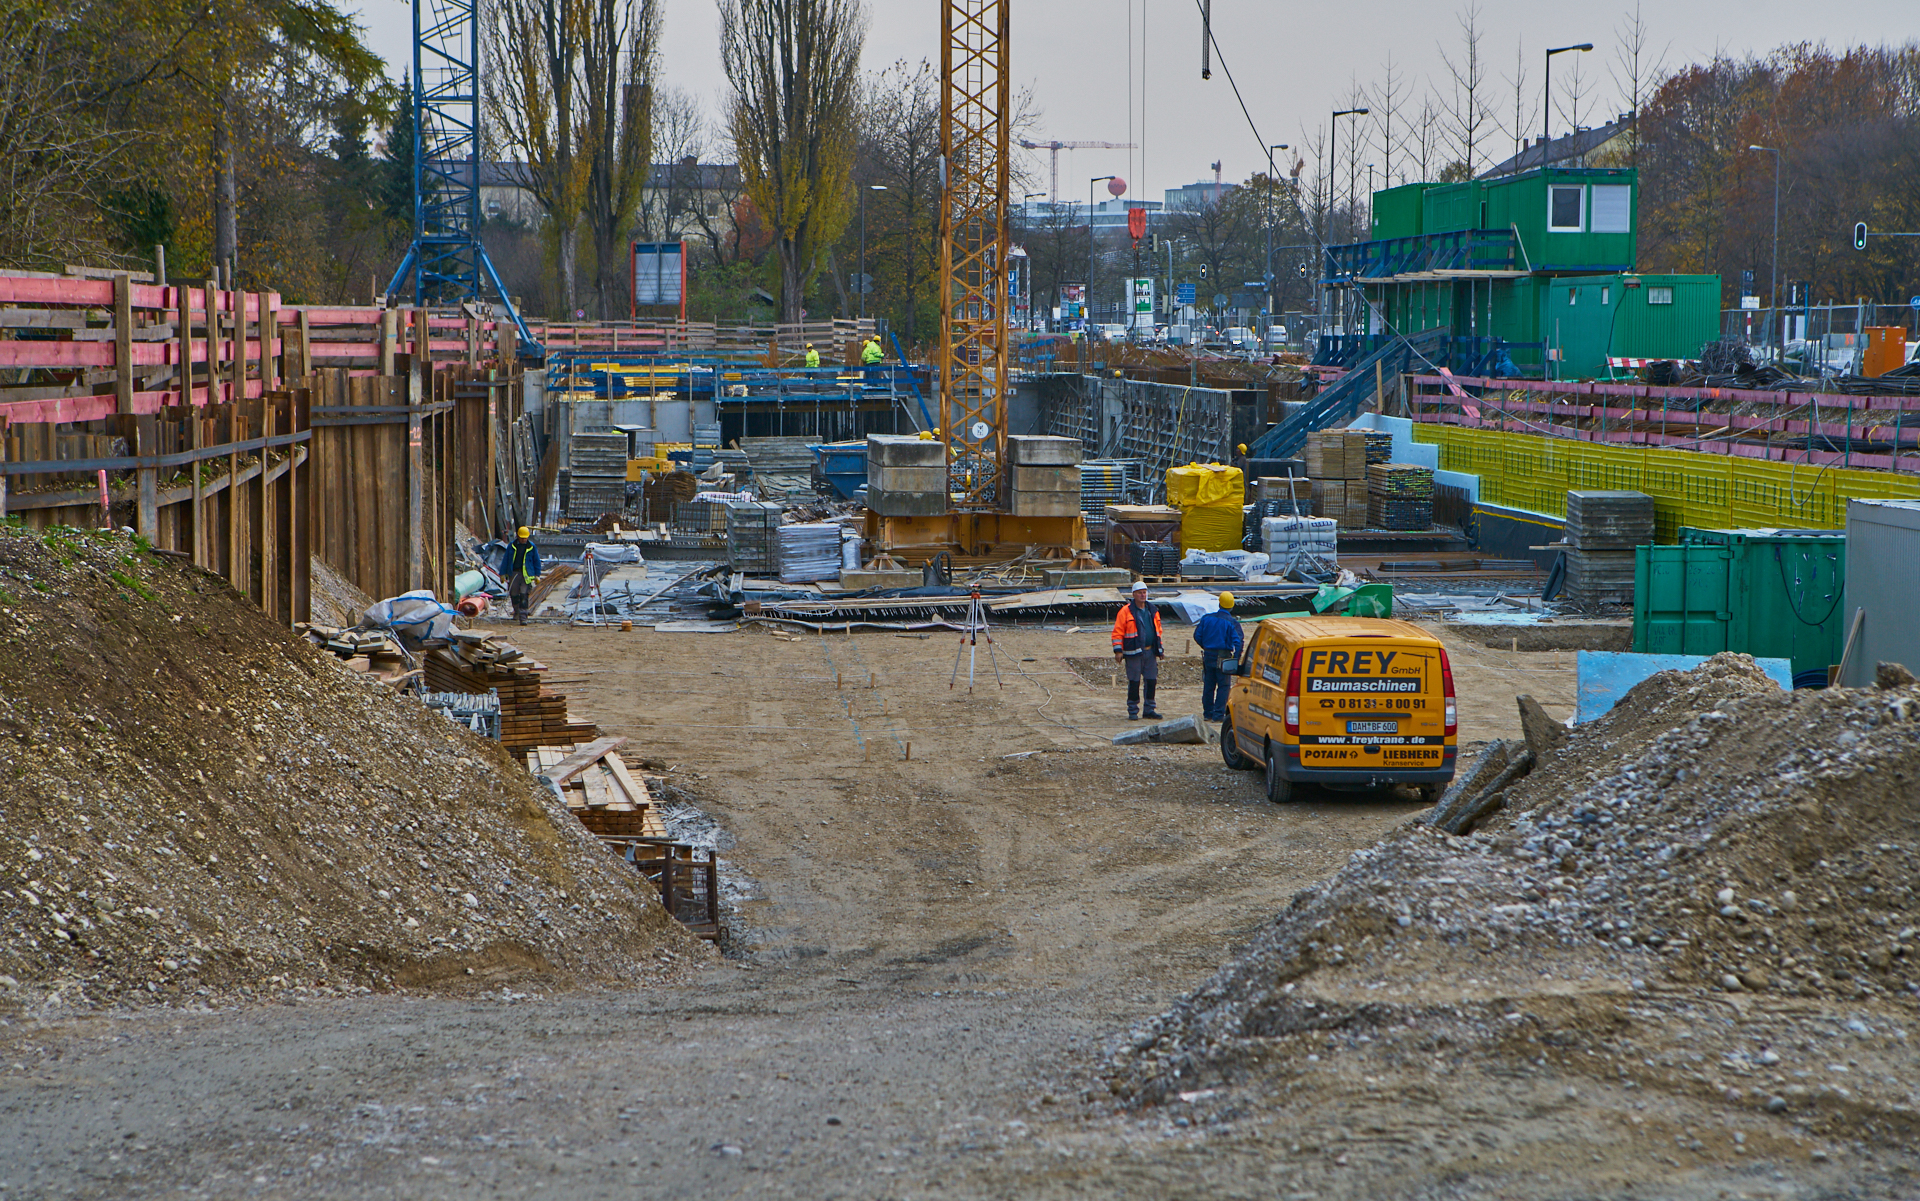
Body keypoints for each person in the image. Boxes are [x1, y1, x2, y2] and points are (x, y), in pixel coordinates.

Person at [1110, 580, 1165, 720]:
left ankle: (1149, 709)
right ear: (1134, 594)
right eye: (1140, 593)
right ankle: (1133, 710)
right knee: (1134, 682)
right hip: (1133, 653)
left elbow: (1158, 631)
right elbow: (1117, 632)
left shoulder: (1153, 610)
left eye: (1144, 592)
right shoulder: (1125, 612)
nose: (1143, 595)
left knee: (1151, 681)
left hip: (1150, 652)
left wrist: (1160, 648)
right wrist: (1118, 650)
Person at [1193, 591, 1245, 723]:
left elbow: (1197, 635)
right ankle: (1218, 715)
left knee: (1209, 685)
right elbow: (1238, 642)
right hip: (1224, 657)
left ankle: (1207, 713)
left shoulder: (1207, 618)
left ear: (1219, 603)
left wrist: (1205, 646)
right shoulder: (1231, 623)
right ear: (1232, 606)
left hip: (1208, 655)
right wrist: (1235, 659)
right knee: (1223, 686)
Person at [506, 526, 542, 625]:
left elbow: (536, 561)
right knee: (514, 594)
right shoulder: (512, 546)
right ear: (518, 536)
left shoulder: (531, 547)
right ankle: (516, 612)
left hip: (526, 575)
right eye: (522, 538)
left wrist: (537, 575)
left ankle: (523, 617)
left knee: (524, 595)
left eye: (525, 538)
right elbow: (506, 560)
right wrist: (502, 573)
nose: (523, 540)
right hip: (514, 573)